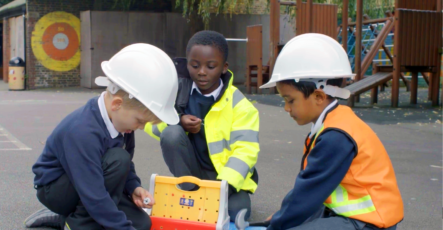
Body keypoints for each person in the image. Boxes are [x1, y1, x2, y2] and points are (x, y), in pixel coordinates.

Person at [24, 43, 180, 230]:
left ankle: (74, 217)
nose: (140, 128)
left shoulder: (122, 122)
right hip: (57, 190)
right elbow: (93, 193)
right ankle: (72, 222)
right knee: (117, 161)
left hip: (90, 181)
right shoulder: (82, 132)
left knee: (142, 223)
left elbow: (125, 167)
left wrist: (133, 188)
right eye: (139, 121)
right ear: (117, 104)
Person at [259, 33, 404, 230]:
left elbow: (309, 192)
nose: (286, 108)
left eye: (290, 100)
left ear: (319, 96)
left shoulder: (336, 136)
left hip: (370, 223)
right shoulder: (333, 122)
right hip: (353, 216)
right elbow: (309, 185)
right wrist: (281, 215)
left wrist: (277, 224)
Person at [144, 30, 260, 221]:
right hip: (192, 175)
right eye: (195, 65)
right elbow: (149, 122)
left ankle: (202, 201)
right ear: (187, 63)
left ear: (224, 67)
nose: (202, 72)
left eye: (211, 66)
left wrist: (222, 189)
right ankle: (190, 193)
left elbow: (245, 151)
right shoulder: (176, 91)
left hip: (225, 180)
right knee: (172, 133)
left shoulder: (240, 105)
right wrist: (178, 121)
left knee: (236, 214)